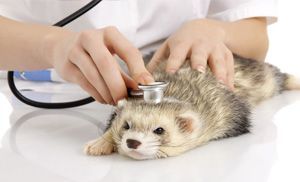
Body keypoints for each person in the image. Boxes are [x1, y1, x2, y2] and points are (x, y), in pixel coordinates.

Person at [0, 0, 277, 105]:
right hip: (43, 113)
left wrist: (216, 31)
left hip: (185, 109)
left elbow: (254, 33)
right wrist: (52, 45)